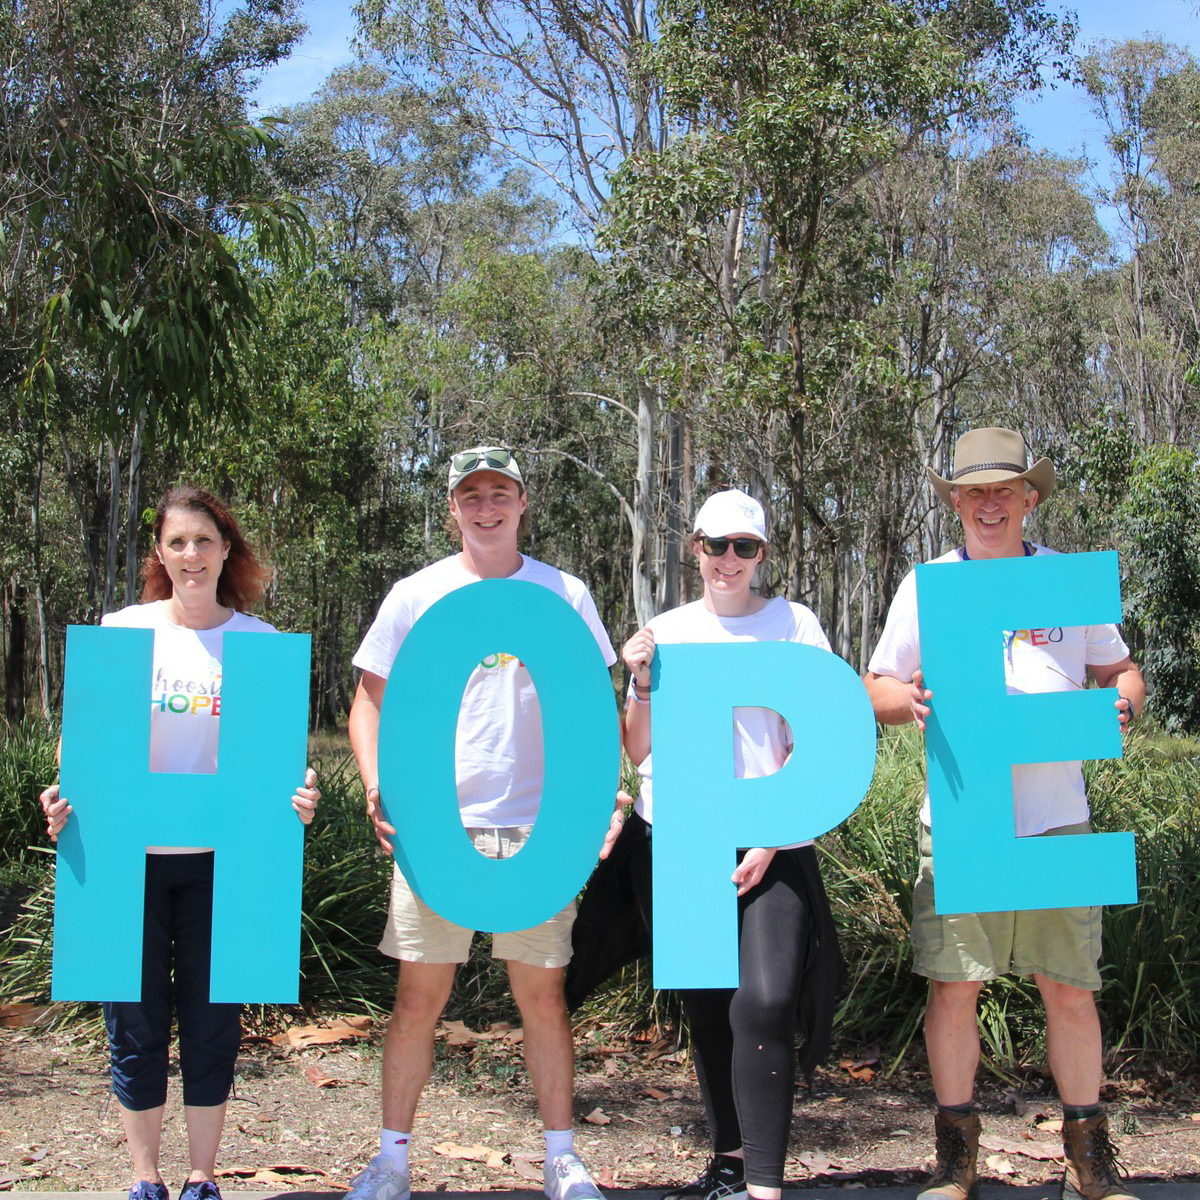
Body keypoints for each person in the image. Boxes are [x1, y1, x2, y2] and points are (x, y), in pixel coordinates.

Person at [863, 427, 1146, 1200]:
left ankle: (1089, 1160)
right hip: (961, 818)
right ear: (955, 501)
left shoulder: (1066, 582)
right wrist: (907, 702)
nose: (989, 504)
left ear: (1029, 497)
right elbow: (876, 684)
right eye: (973, 491)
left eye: (1003, 490)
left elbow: (1121, 670)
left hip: (1061, 818)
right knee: (955, 988)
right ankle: (955, 1162)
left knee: (1071, 988)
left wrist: (1122, 703)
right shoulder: (927, 585)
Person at [346, 445, 618, 1200]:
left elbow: (593, 710)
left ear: (523, 502)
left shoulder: (564, 594)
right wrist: (375, 785)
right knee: (416, 999)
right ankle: (391, 1163)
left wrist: (604, 797)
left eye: (500, 492)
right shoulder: (415, 594)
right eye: (472, 495)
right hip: (438, 828)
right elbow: (368, 703)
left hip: (541, 828)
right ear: (453, 508)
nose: (486, 506)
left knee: (543, 999)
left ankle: (562, 1160)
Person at [39, 485, 320, 1200]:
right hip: (124, 860)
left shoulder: (259, 645)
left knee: (211, 1019)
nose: (190, 555)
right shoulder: (123, 630)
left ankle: (201, 1177)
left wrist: (301, 797)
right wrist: (60, 797)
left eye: (204, 540)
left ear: (227, 549)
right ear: (160, 554)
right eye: (177, 543)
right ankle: (145, 1178)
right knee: (133, 1022)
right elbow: (86, 748)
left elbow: (277, 762)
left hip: (223, 864)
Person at [598, 488, 843, 1200]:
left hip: (776, 839)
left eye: (745, 547)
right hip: (682, 838)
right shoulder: (667, 630)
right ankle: (729, 1162)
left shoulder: (795, 625)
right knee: (707, 1006)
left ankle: (763, 1185)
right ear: (694, 549)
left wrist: (770, 830)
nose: (728, 560)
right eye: (715, 546)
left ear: (762, 555)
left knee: (763, 1001)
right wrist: (639, 681)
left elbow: (819, 738)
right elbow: (638, 749)